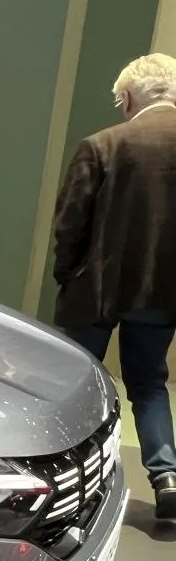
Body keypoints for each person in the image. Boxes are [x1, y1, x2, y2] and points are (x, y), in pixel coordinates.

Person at [52, 53, 176, 519]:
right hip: (162, 292)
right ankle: (167, 476)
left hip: (96, 290)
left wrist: (67, 275)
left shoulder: (102, 145)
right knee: (149, 383)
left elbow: (70, 225)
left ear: (127, 97)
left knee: (78, 383)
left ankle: (73, 479)